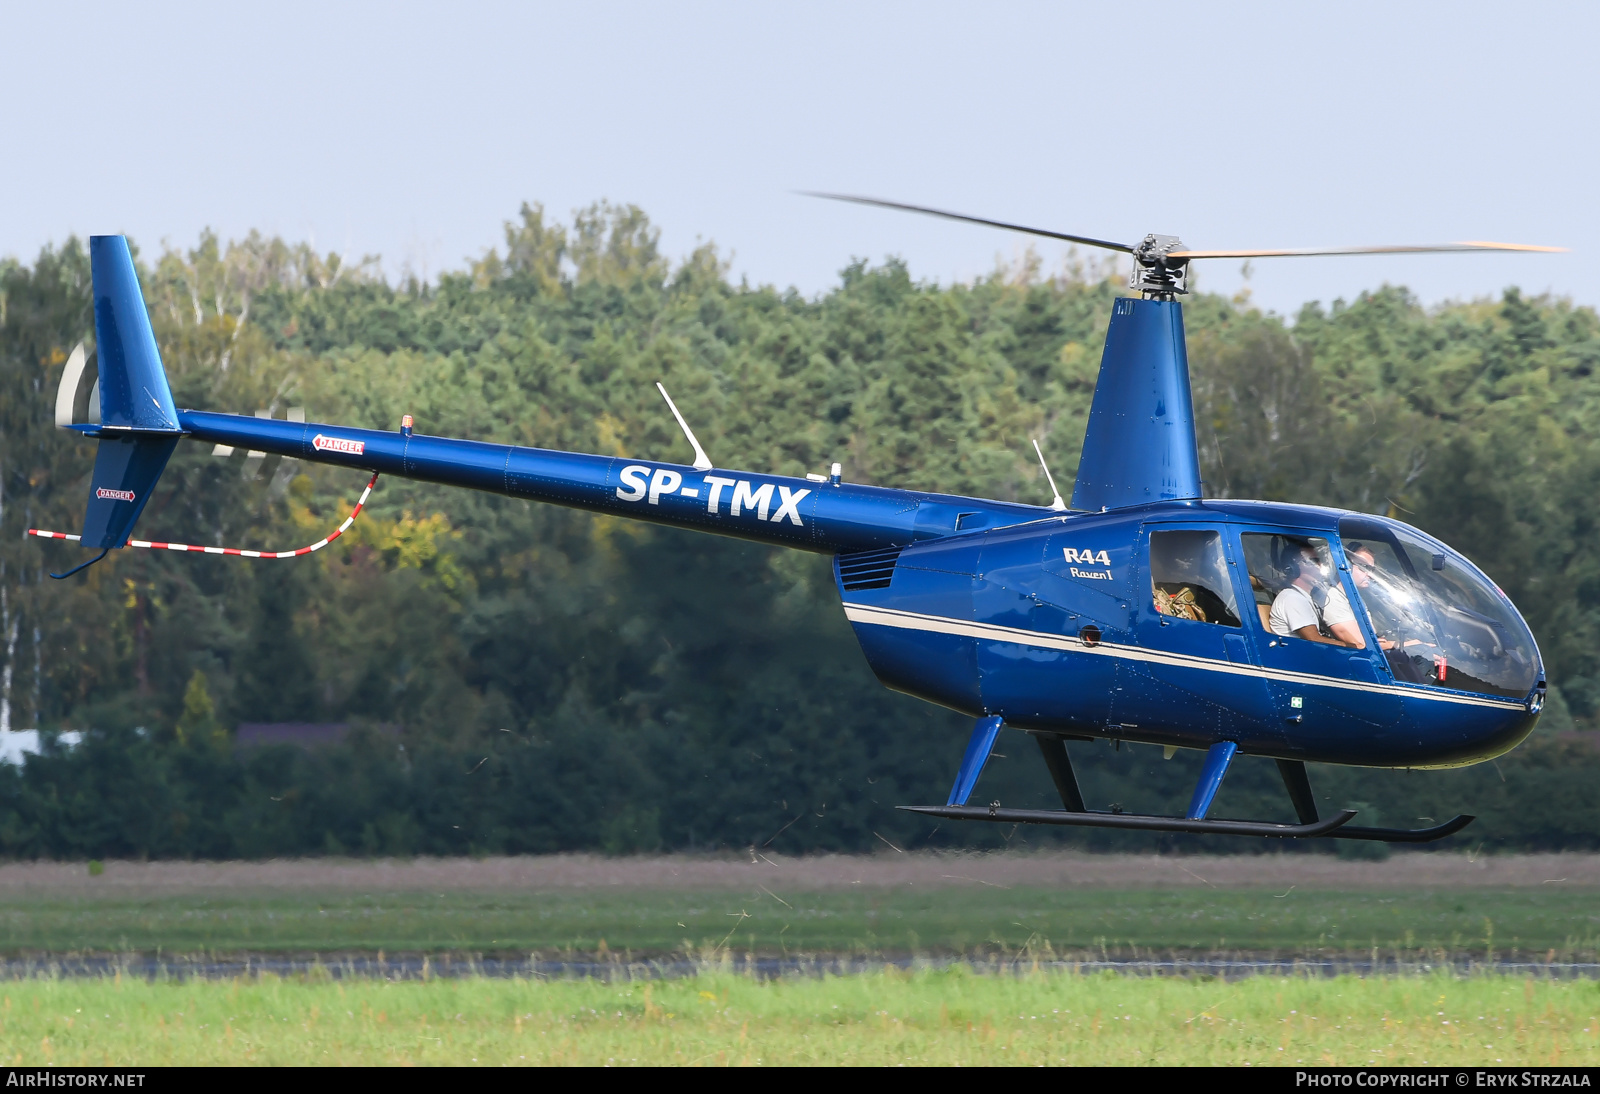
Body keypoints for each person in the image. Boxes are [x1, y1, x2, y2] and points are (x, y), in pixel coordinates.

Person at [1268, 544, 1364, 647]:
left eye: (1320, 561)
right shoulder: (1292, 598)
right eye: (1314, 561)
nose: (1320, 565)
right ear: (1293, 568)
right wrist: (1354, 647)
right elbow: (1314, 639)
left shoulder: (1305, 597)